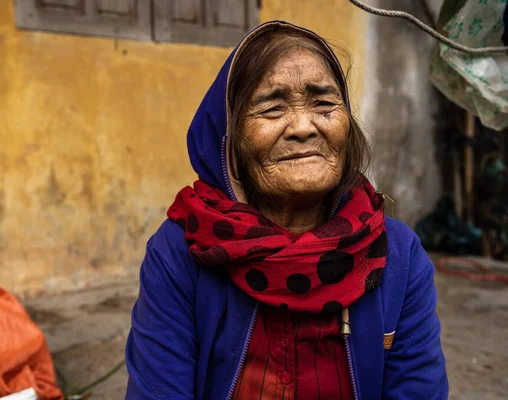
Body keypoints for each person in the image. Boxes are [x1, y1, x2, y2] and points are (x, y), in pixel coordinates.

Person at [125, 20, 448, 399]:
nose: (302, 126)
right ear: (230, 139)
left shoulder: (396, 252)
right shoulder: (183, 250)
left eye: (324, 103)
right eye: (273, 108)